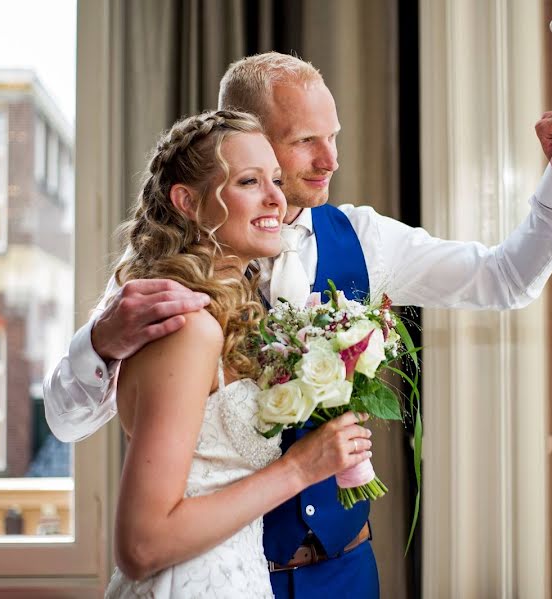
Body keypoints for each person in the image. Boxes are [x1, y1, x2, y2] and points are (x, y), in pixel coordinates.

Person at [44, 53, 552, 598]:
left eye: (334, 136)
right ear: (249, 135)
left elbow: (505, 278)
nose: (329, 159)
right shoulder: (160, 282)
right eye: (307, 139)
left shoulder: (364, 238)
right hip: (214, 570)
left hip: (342, 572)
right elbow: (69, 424)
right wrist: (98, 343)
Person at [101, 109, 374, 598]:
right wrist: (299, 469)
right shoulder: (188, 330)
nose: (277, 196)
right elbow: (141, 545)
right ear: (187, 201)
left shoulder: (229, 312)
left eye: (275, 178)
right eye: (249, 181)